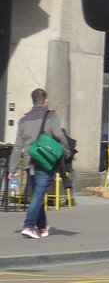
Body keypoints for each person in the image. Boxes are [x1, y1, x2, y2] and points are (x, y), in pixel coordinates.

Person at [13, 88, 71, 239]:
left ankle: (43, 227)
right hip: (46, 161)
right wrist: (67, 152)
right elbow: (59, 135)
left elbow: (17, 146)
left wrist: (13, 168)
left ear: (33, 101)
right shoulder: (51, 115)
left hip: (29, 162)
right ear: (45, 101)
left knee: (38, 194)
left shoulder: (23, 120)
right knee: (39, 195)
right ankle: (28, 225)